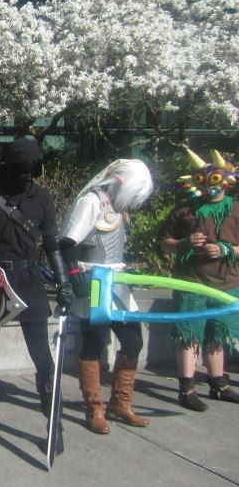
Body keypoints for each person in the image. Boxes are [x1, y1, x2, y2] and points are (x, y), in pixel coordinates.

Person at [0, 138, 73, 454]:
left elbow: (51, 243)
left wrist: (63, 282)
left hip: (31, 280)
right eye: (19, 169)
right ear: (5, 169)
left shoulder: (42, 199)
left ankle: (55, 425)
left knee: (43, 360)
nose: (25, 176)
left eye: (30, 170)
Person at [60, 159, 154, 435]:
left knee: (133, 341)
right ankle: (94, 408)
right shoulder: (91, 201)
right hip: (95, 283)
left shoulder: (118, 204)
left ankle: (120, 404)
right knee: (94, 343)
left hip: (119, 282)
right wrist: (74, 274)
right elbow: (67, 242)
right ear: (121, 182)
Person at [158, 148, 239, 411]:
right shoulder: (183, 211)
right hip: (190, 282)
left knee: (218, 334)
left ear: (227, 179)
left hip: (227, 282)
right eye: (203, 182)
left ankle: (218, 384)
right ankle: (187, 388)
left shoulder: (237, 209)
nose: (208, 188)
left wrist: (226, 249)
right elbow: (164, 244)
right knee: (189, 333)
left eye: (214, 180)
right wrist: (183, 243)